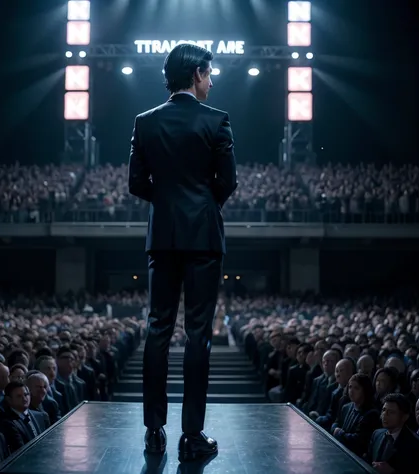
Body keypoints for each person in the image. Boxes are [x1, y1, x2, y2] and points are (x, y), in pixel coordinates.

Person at [128, 43, 237, 461]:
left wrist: (171, 202)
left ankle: (154, 430)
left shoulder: (144, 122)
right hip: (203, 236)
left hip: (163, 235)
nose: (211, 82)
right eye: (209, 74)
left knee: (157, 331)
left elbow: (137, 183)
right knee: (198, 336)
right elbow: (227, 181)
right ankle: (192, 435)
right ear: (196, 74)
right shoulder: (217, 120)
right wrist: (202, 207)